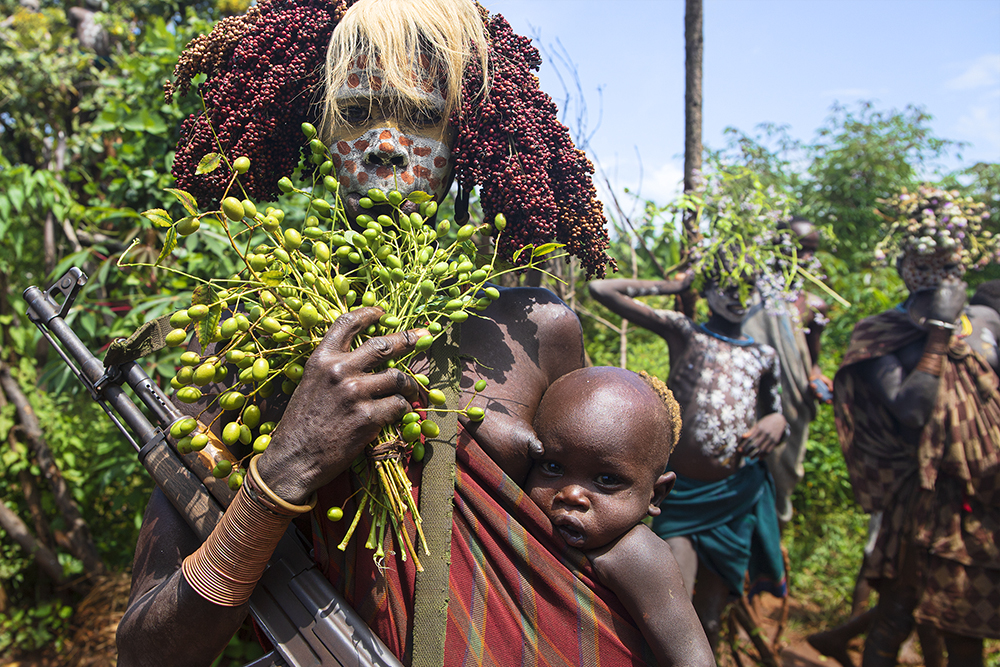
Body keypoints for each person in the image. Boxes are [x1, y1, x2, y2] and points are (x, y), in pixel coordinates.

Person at [116, 1, 705, 665]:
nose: (387, 144)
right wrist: (287, 467)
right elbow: (145, 654)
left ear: (466, 139)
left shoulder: (536, 330)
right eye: (356, 111)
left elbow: (605, 534)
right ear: (318, 126)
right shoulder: (246, 345)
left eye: (422, 117)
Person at [809, 238, 1000, 667]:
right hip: (920, 497)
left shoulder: (985, 323)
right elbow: (911, 410)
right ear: (907, 271)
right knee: (897, 611)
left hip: (983, 495)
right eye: (928, 266)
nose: (945, 277)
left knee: (965, 629)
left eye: (950, 266)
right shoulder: (883, 333)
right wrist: (939, 332)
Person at [589, 263, 788, 652]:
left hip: (733, 497)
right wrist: (674, 285)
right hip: (680, 496)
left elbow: (775, 413)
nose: (738, 296)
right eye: (727, 285)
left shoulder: (763, 356)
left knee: (709, 617)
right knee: (672, 607)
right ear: (708, 289)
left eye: (747, 288)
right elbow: (602, 289)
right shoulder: (686, 332)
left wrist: (777, 423)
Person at [499, 365, 714, 665]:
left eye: (607, 480)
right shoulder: (514, 526)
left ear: (655, 495)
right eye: (552, 467)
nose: (572, 495)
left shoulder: (638, 555)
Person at [742, 217, 831, 527]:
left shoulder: (814, 305)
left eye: (811, 251)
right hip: (751, 401)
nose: (805, 258)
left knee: (784, 472)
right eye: (799, 248)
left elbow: (811, 355)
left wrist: (816, 375)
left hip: (793, 402)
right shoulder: (749, 294)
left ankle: (775, 531)